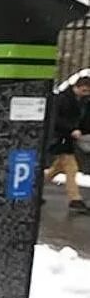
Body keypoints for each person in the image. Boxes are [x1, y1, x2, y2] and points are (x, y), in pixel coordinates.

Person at [44, 75, 90, 213]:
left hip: (68, 138)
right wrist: (71, 129)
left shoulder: (82, 100)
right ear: (77, 87)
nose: (86, 94)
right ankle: (75, 199)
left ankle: (35, 188)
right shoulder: (62, 99)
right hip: (60, 137)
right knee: (72, 168)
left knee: (56, 169)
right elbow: (55, 119)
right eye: (84, 90)